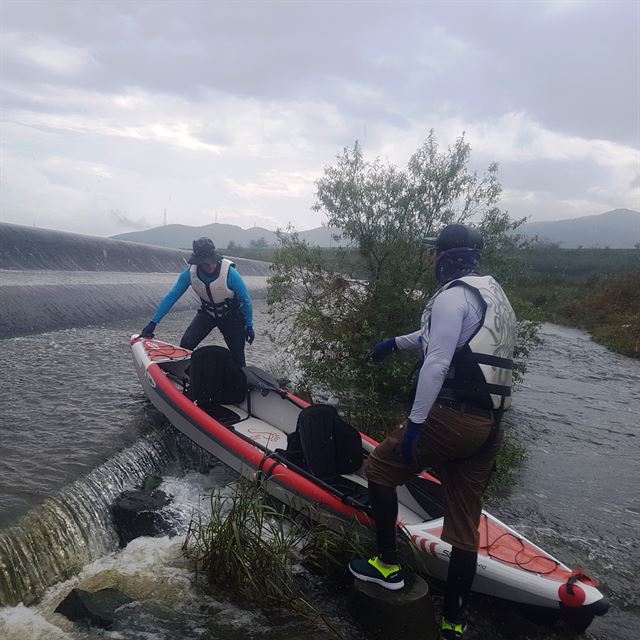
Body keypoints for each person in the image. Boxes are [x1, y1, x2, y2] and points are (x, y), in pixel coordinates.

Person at [348, 224, 517, 640]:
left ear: (446, 256)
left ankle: (387, 566)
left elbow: (438, 362)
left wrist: (417, 424)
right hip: (490, 424)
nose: (430, 260)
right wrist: (395, 343)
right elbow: (450, 340)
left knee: (380, 469)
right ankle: (454, 621)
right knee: (464, 522)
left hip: (452, 416)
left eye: (433, 253)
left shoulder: (452, 296)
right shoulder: (493, 295)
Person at [139, 237, 254, 367]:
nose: (211, 266)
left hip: (231, 317)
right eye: (206, 263)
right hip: (207, 314)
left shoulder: (230, 274)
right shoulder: (190, 274)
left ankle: (242, 384)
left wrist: (249, 325)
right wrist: (153, 323)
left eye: (212, 262)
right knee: (186, 345)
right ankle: (186, 377)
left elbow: (246, 300)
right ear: (198, 262)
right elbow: (172, 297)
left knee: (238, 358)